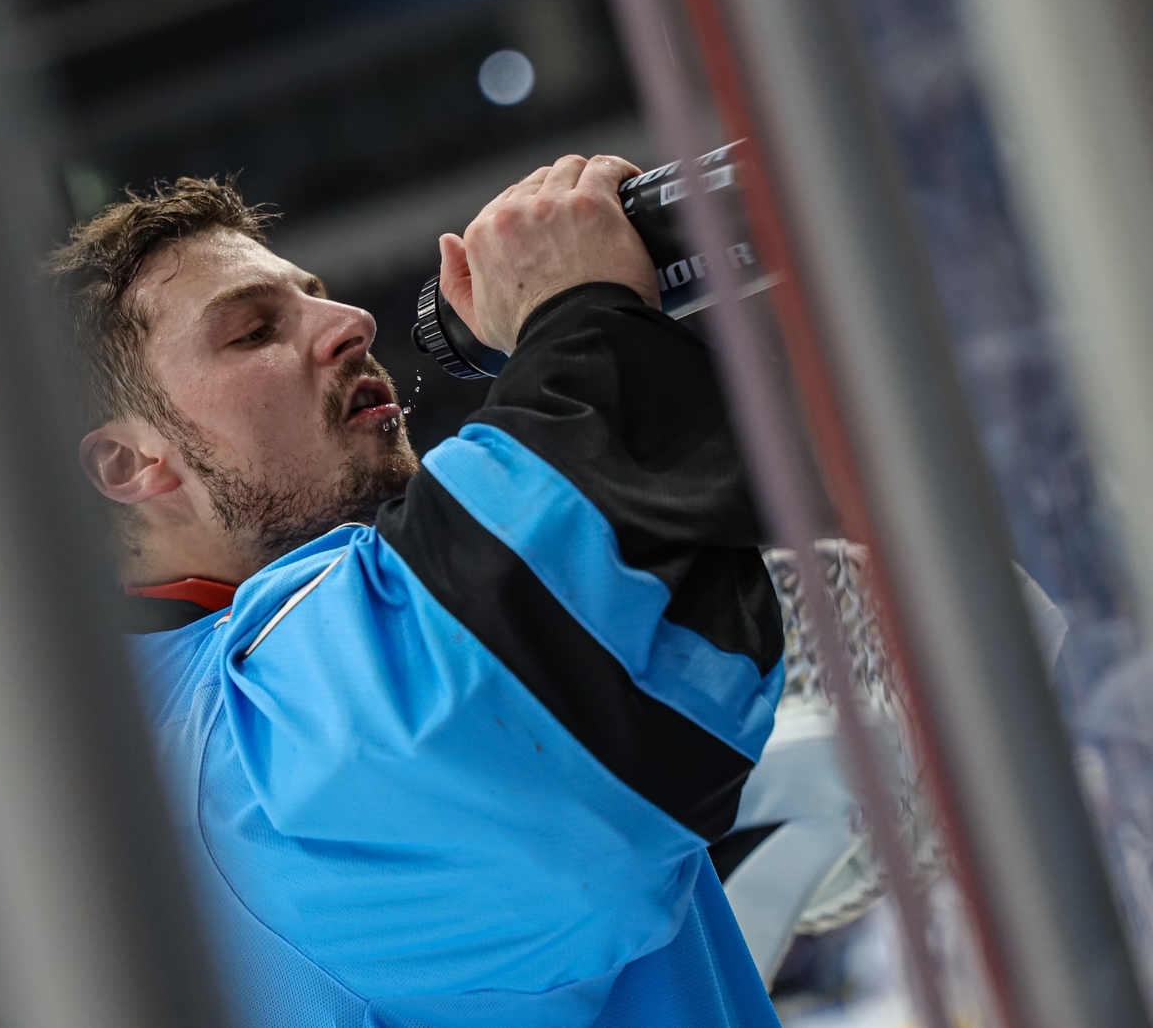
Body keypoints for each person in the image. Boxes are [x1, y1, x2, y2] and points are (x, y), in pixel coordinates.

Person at [49, 155, 785, 1027]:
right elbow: (515, 706)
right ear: (129, 464)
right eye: (252, 331)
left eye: (318, 295)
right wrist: (577, 312)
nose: (353, 322)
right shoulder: (206, 769)